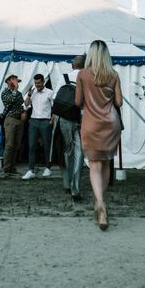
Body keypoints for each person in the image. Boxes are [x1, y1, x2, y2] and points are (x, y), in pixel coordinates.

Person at [75, 40, 122, 230]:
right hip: (111, 124)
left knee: (94, 165)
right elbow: (119, 102)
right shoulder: (113, 74)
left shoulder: (83, 74)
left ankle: (100, 203)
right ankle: (101, 202)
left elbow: (78, 101)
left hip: (91, 124)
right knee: (106, 162)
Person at [54, 55, 85, 201]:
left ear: (73, 65)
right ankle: (75, 188)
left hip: (65, 118)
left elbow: (55, 97)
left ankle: (67, 183)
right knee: (80, 152)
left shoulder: (64, 77)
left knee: (67, 150)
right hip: (82, 118)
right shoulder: (88, 77)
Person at [22, 73, 54, 180]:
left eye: (39, 83)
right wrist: (30, 94)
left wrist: (52, 119)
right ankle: (31, 170)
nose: (37, 85)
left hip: (46, 121)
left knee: (47, 145)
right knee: (31, 145)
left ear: (43, 82)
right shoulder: (33, 92)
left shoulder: (50, 92)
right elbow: (26, 105)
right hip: (34, 121)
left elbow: (55, 107)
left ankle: (48, 168)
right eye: (36, 83)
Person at [0, 73, 26, 175]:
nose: (15, 81)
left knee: (17, 145)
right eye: (13, 79)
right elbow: (10, 101)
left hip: (19, 120)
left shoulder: (18, 93)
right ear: (8, 81)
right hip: (10, 120)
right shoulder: (5, 93)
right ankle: (6, 168)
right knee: (9, 145)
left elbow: (21, 105)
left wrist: (24, 112)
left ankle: (13, 167)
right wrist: (16, 88)